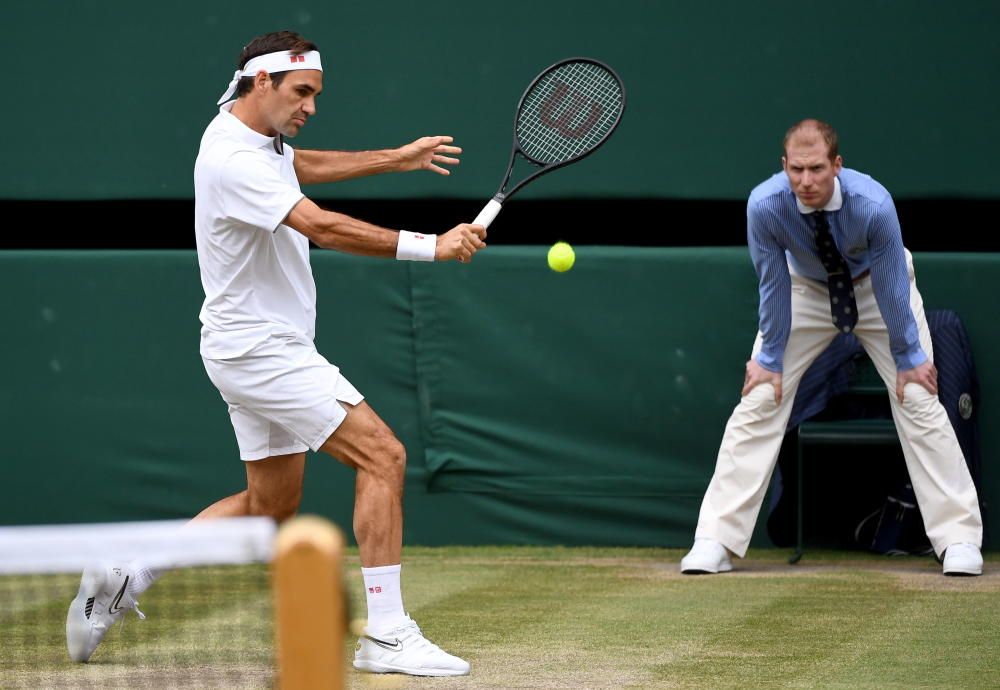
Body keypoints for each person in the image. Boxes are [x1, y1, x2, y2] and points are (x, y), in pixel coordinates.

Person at [66, 30, 485, 676]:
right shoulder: (233, 160)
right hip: (263, 349)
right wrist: (432, 246)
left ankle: (127, 574)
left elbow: (299, 166)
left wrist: (394, 160)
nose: (311, 106)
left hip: (245, 347)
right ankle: (387, 634)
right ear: (261, 82)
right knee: (384, 455)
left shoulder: (241, 138)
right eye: (302, 92)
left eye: (316, 94)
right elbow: (319, 224)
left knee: (269, 506)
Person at [679, 119, 983, 577]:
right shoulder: (765, 206)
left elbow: (893, 286)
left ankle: (958, 538)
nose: (805, 181)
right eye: (796, 169)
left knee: (918, 396)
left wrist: (908, 357)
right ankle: (715, 540)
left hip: (877, 291)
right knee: (761, 397)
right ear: (784, 166)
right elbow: (772, 283)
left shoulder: (873, 205)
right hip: (805, 292)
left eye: (816, 169)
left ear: (837, 165)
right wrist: (770, 358)